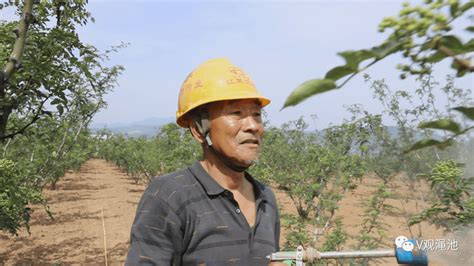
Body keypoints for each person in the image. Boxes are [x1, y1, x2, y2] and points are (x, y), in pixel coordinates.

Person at [125, 58, 281, 265]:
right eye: (236, 113)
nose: (253, 126)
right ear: (199, 129)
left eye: (257, 114)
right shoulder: (169, 196)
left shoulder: (266, 198)